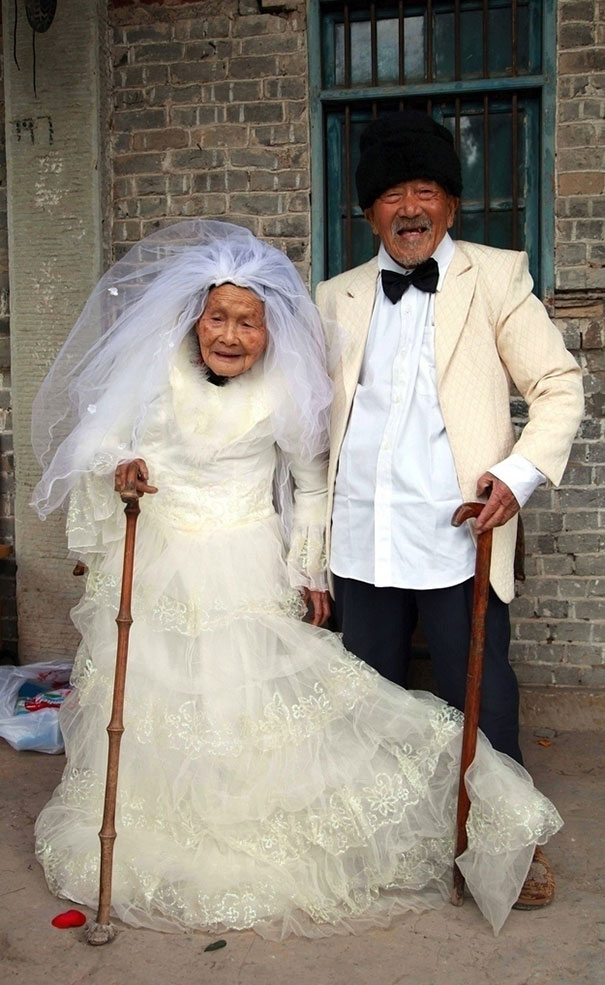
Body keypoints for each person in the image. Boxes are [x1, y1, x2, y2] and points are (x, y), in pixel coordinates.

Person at [33, 219, 561, 940]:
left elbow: (312, 481)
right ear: (194, 320)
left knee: (255, 701)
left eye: (247, 321)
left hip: (253, 557)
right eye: (217, 317)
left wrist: (305, 565)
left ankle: (495, 828)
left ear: (269, 329)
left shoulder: (285, 386)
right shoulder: (156, 375)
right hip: (159, 563)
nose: (231, 333)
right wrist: (121, 467)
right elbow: (99, 437)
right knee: (159, 702)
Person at [315, 111, 584, 910]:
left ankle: (506, 843)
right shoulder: (334, 296)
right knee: (369, 698)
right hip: (362, 534)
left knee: (482, 694)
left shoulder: (495, 277)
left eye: (424, 190)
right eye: (390, 194)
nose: (408, 208)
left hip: (458, 531)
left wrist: (517, 475)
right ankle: (387, 838)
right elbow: (304, 424)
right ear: (367, 212)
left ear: (450, 204)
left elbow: (558, 385)